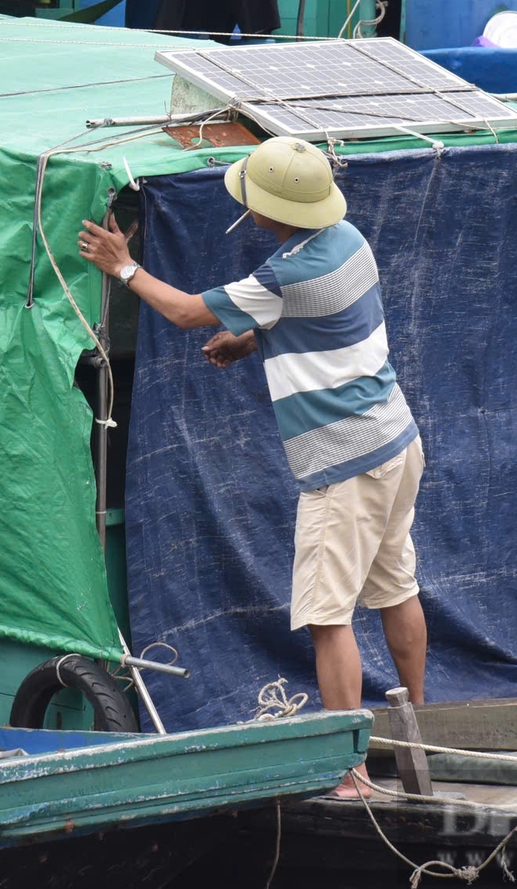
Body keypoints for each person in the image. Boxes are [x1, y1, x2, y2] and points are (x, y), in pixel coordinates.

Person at [78, 136, 425, 797]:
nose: (244, 210)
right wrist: (251, 338)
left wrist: (123, 267)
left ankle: (350, 772)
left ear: (274, 212)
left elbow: (182, 311)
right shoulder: (348, 239)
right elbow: (324, 318)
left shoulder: (283, 273)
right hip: (397, 440)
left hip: (344, 463)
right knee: (396, 588)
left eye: (251, 201)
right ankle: (423, 733)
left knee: (329, 618)